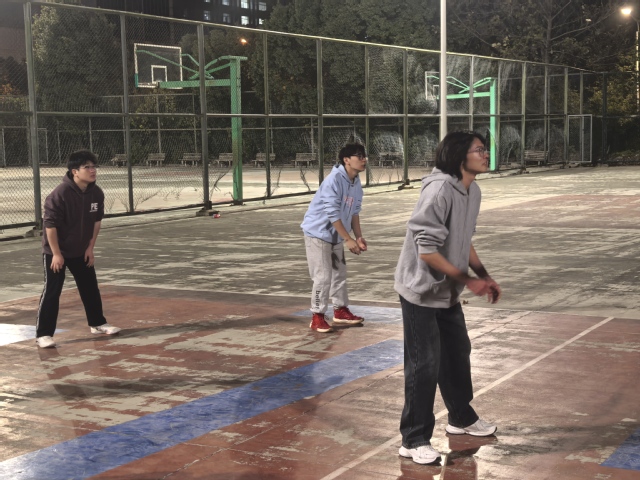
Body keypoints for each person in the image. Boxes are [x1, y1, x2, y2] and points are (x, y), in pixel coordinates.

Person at [394, 131, 502, 465]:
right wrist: (468, 281)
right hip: (420, 292)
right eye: (479, 150)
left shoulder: (473, 191)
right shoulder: (439, 190)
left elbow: (463, 240)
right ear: (459, 156)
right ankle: (413, 439)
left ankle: (461, 417)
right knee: (424, 364)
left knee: (457, 354)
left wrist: (483, 275)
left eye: (485, 149)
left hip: (447, 293)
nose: (486, 154)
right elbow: (426, 250)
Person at [35, 150, 121, 348]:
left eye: (94, 167)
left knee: (90, 287)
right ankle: (43, 334)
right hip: (56, 252)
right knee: (52, 291)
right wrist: (56, 254)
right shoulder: (60, 194)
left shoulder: (96, 193)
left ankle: (97, 323)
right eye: (87, 167)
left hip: (81, 251)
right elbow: (50, 226)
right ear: (75, 171)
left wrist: (90, 248)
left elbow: (96, 222)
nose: (92, 170)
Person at [300, 143, 369, 333]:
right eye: (359, 156)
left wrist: (358, 237)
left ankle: (340, 310)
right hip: (318, 234)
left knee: (339, 274)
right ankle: (317, 316)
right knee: (322, 277)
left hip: (337, 235)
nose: (364, 160)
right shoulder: (334, 180)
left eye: (364, 156)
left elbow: (355, 212)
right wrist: (348, 239)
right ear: (347, 160)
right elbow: (332, 214)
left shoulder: (356, 183)